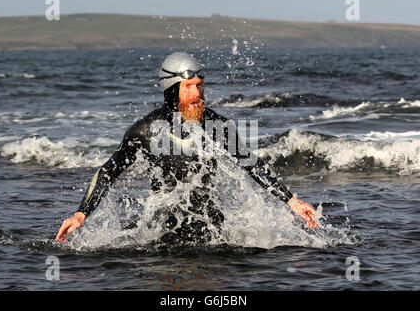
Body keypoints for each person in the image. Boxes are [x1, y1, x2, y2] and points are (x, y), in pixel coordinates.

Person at [55, 52, 318, 244]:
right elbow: (108, 172)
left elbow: (251, 163)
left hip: (211, 227)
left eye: (200, 87)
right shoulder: (146, 131)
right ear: (171, 91)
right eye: (189, 88)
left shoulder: (218, 126)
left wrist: (291, 201)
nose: (198, 95)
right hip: (163, 230)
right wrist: (81, 213)